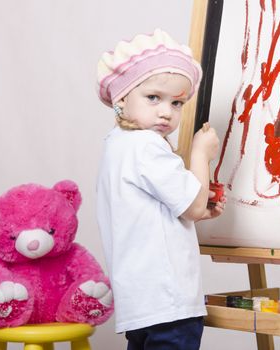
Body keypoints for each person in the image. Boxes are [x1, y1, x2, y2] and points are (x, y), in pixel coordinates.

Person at [95, 28, 225, 349]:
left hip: (141, 302)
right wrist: (200, 154)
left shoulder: (118, 145)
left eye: (177, 102)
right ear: (122, 98)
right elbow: (192, 206)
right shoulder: (147, 146)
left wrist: (197, 209)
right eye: (154, 98)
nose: (167, 111)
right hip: (169, 302)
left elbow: (157, 213)